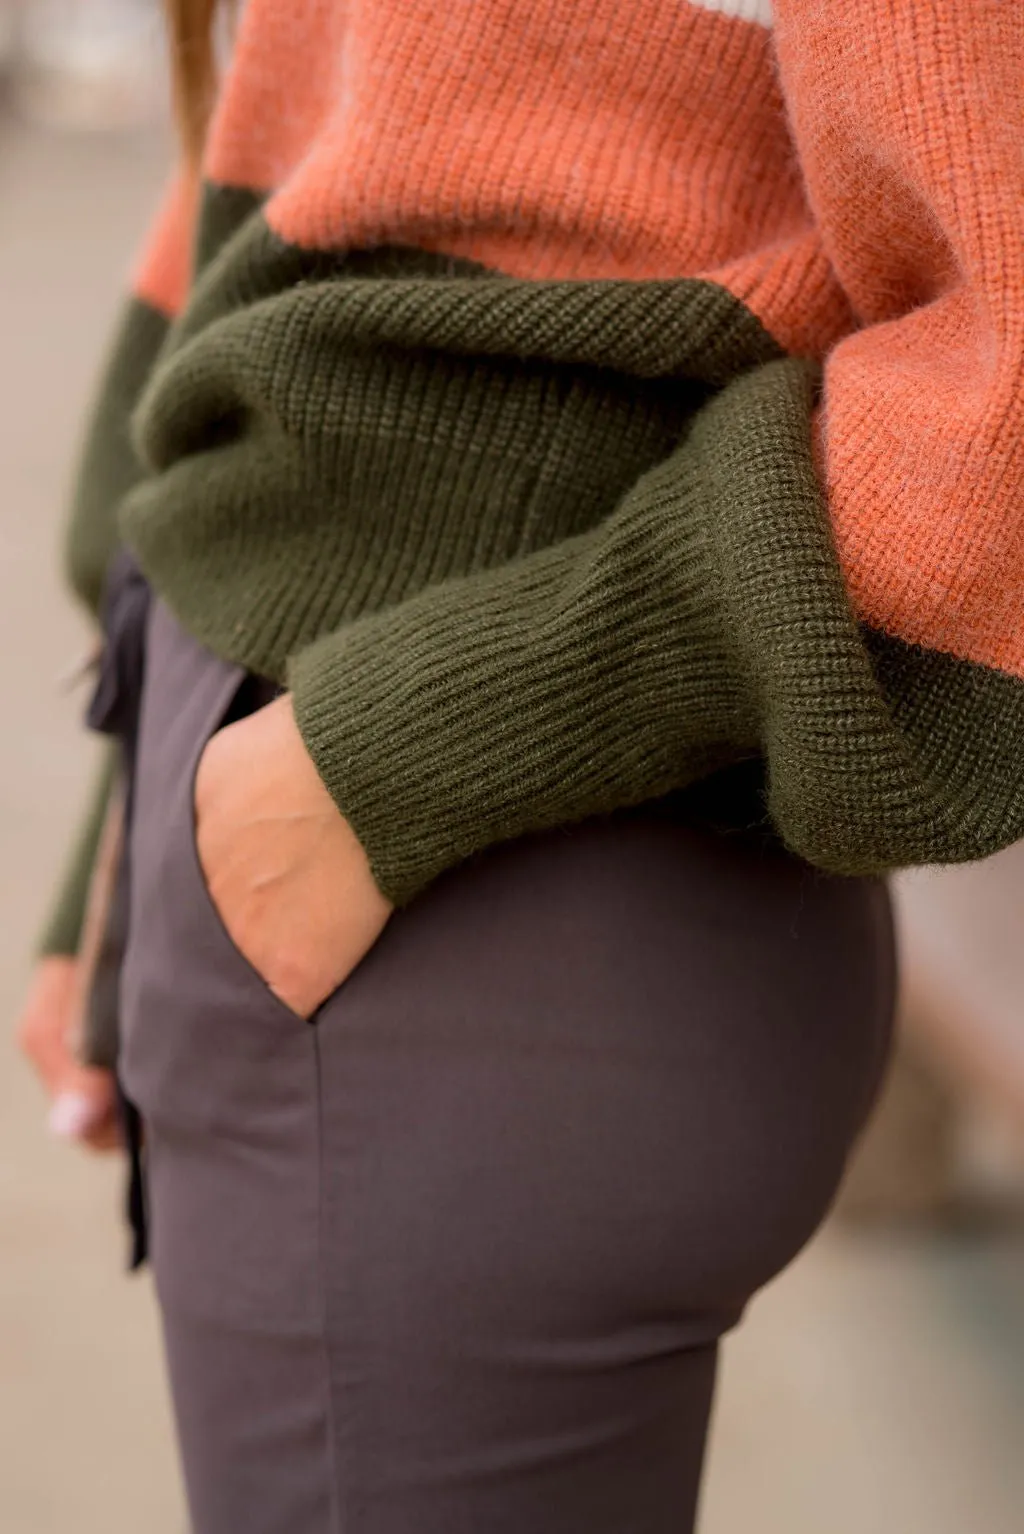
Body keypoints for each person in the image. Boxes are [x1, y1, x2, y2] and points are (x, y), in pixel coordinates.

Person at [17, 2, 1023, 1529]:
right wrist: (138, 765)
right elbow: (294, 122)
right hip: (386, 823)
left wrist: (399, 753)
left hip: (472, 869)